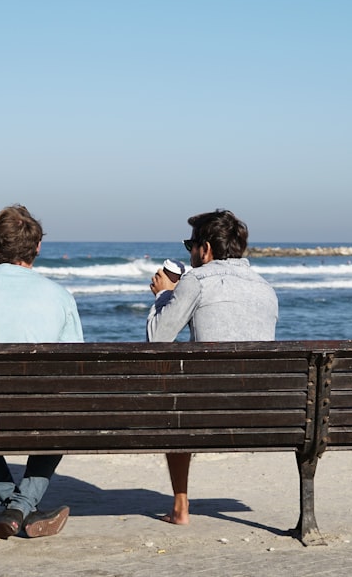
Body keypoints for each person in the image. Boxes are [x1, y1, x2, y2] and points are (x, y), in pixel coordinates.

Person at [0, 204, 83, 540]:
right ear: (37, 248)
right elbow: (74, 365)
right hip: (39, 415)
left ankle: (13, 507)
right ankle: (21, 508)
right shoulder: (61, 296)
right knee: (60, 421)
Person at [146, 209, 278, 525]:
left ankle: (180, 507)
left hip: (209, 411)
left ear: (205, 249)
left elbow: (157, 339)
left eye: (189, 245)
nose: (189, 252)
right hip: (269, 414)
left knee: (174, 408)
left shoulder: (196, 282)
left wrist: (164, 295)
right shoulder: (266, 288)